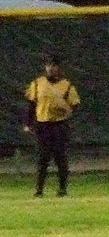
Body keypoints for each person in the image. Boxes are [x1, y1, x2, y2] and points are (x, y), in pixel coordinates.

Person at [23, 55, 81, 197]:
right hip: (43, 124)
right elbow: (31, 104)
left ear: (59, 68)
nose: (51, 68)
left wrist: (66, 110)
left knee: (60, 157)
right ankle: (39, 190)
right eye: (48, 65)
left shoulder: (66, 85)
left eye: (54, 65)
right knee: (43, 158)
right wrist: (28, 123)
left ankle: (62, 189)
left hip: (59, 125)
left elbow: (75, 104)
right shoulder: (37, 83)